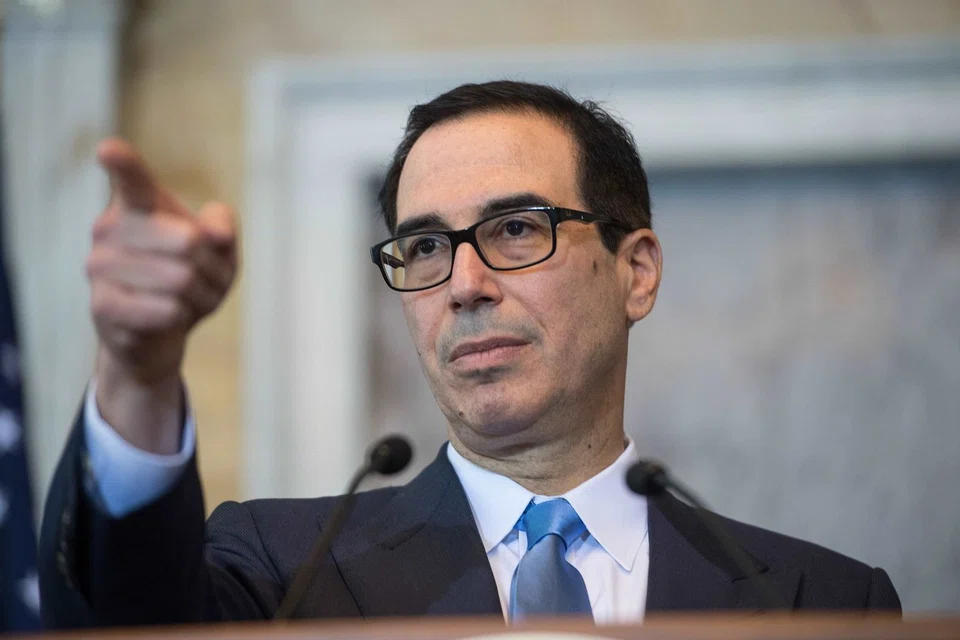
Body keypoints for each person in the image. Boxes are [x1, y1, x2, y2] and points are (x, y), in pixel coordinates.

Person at [38, 81, 900, 628]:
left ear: (635, 273)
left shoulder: (819, 602)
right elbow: (123, 621)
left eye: (516, 230)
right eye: (424, 248)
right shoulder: (281, 572)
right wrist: (139, 374)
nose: (464, 284)